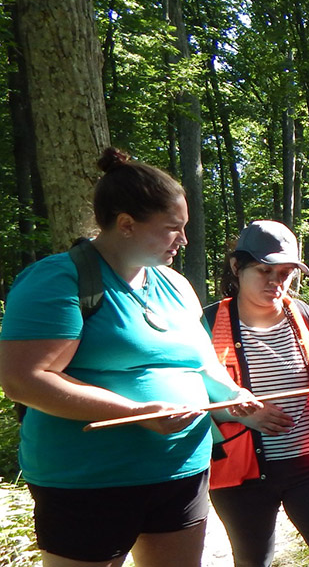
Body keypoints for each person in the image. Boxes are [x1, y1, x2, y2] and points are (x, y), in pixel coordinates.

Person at [0, 148, 259, 567]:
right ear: (126, 225)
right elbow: (25, 379)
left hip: (181, 472)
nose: (184, 240)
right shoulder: (59, 279)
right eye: (173, 228)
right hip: (88, 480)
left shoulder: (175, 284)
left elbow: (200, 364)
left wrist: (232, 394)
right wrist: (137, 412)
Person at [206, 220, 309, 567]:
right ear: (237, 267)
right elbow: (194, 404)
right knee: (252, 562)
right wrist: (242, 411)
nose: (276, 282)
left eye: (285, 273)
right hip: (241, 476)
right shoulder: (206, 325)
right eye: (264, 271)